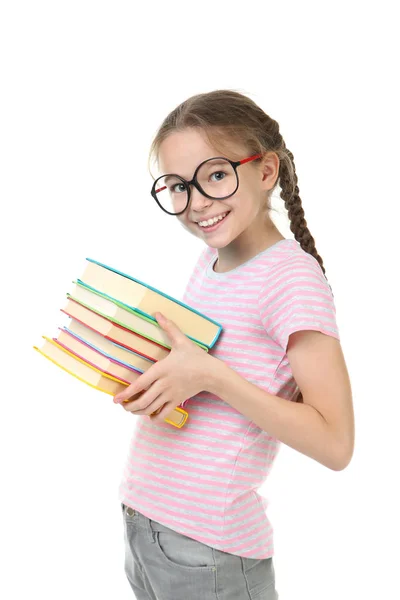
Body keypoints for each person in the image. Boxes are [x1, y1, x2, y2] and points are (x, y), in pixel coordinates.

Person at [113, 89, 354, 600]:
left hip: (210, 552)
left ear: (266, 171)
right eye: (178, 185)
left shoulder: (292, 279)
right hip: (150, 528)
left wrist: (210, 376)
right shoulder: (213, 260)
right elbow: (204, 376)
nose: (196, 203)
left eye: (216, 175)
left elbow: (336, 444)